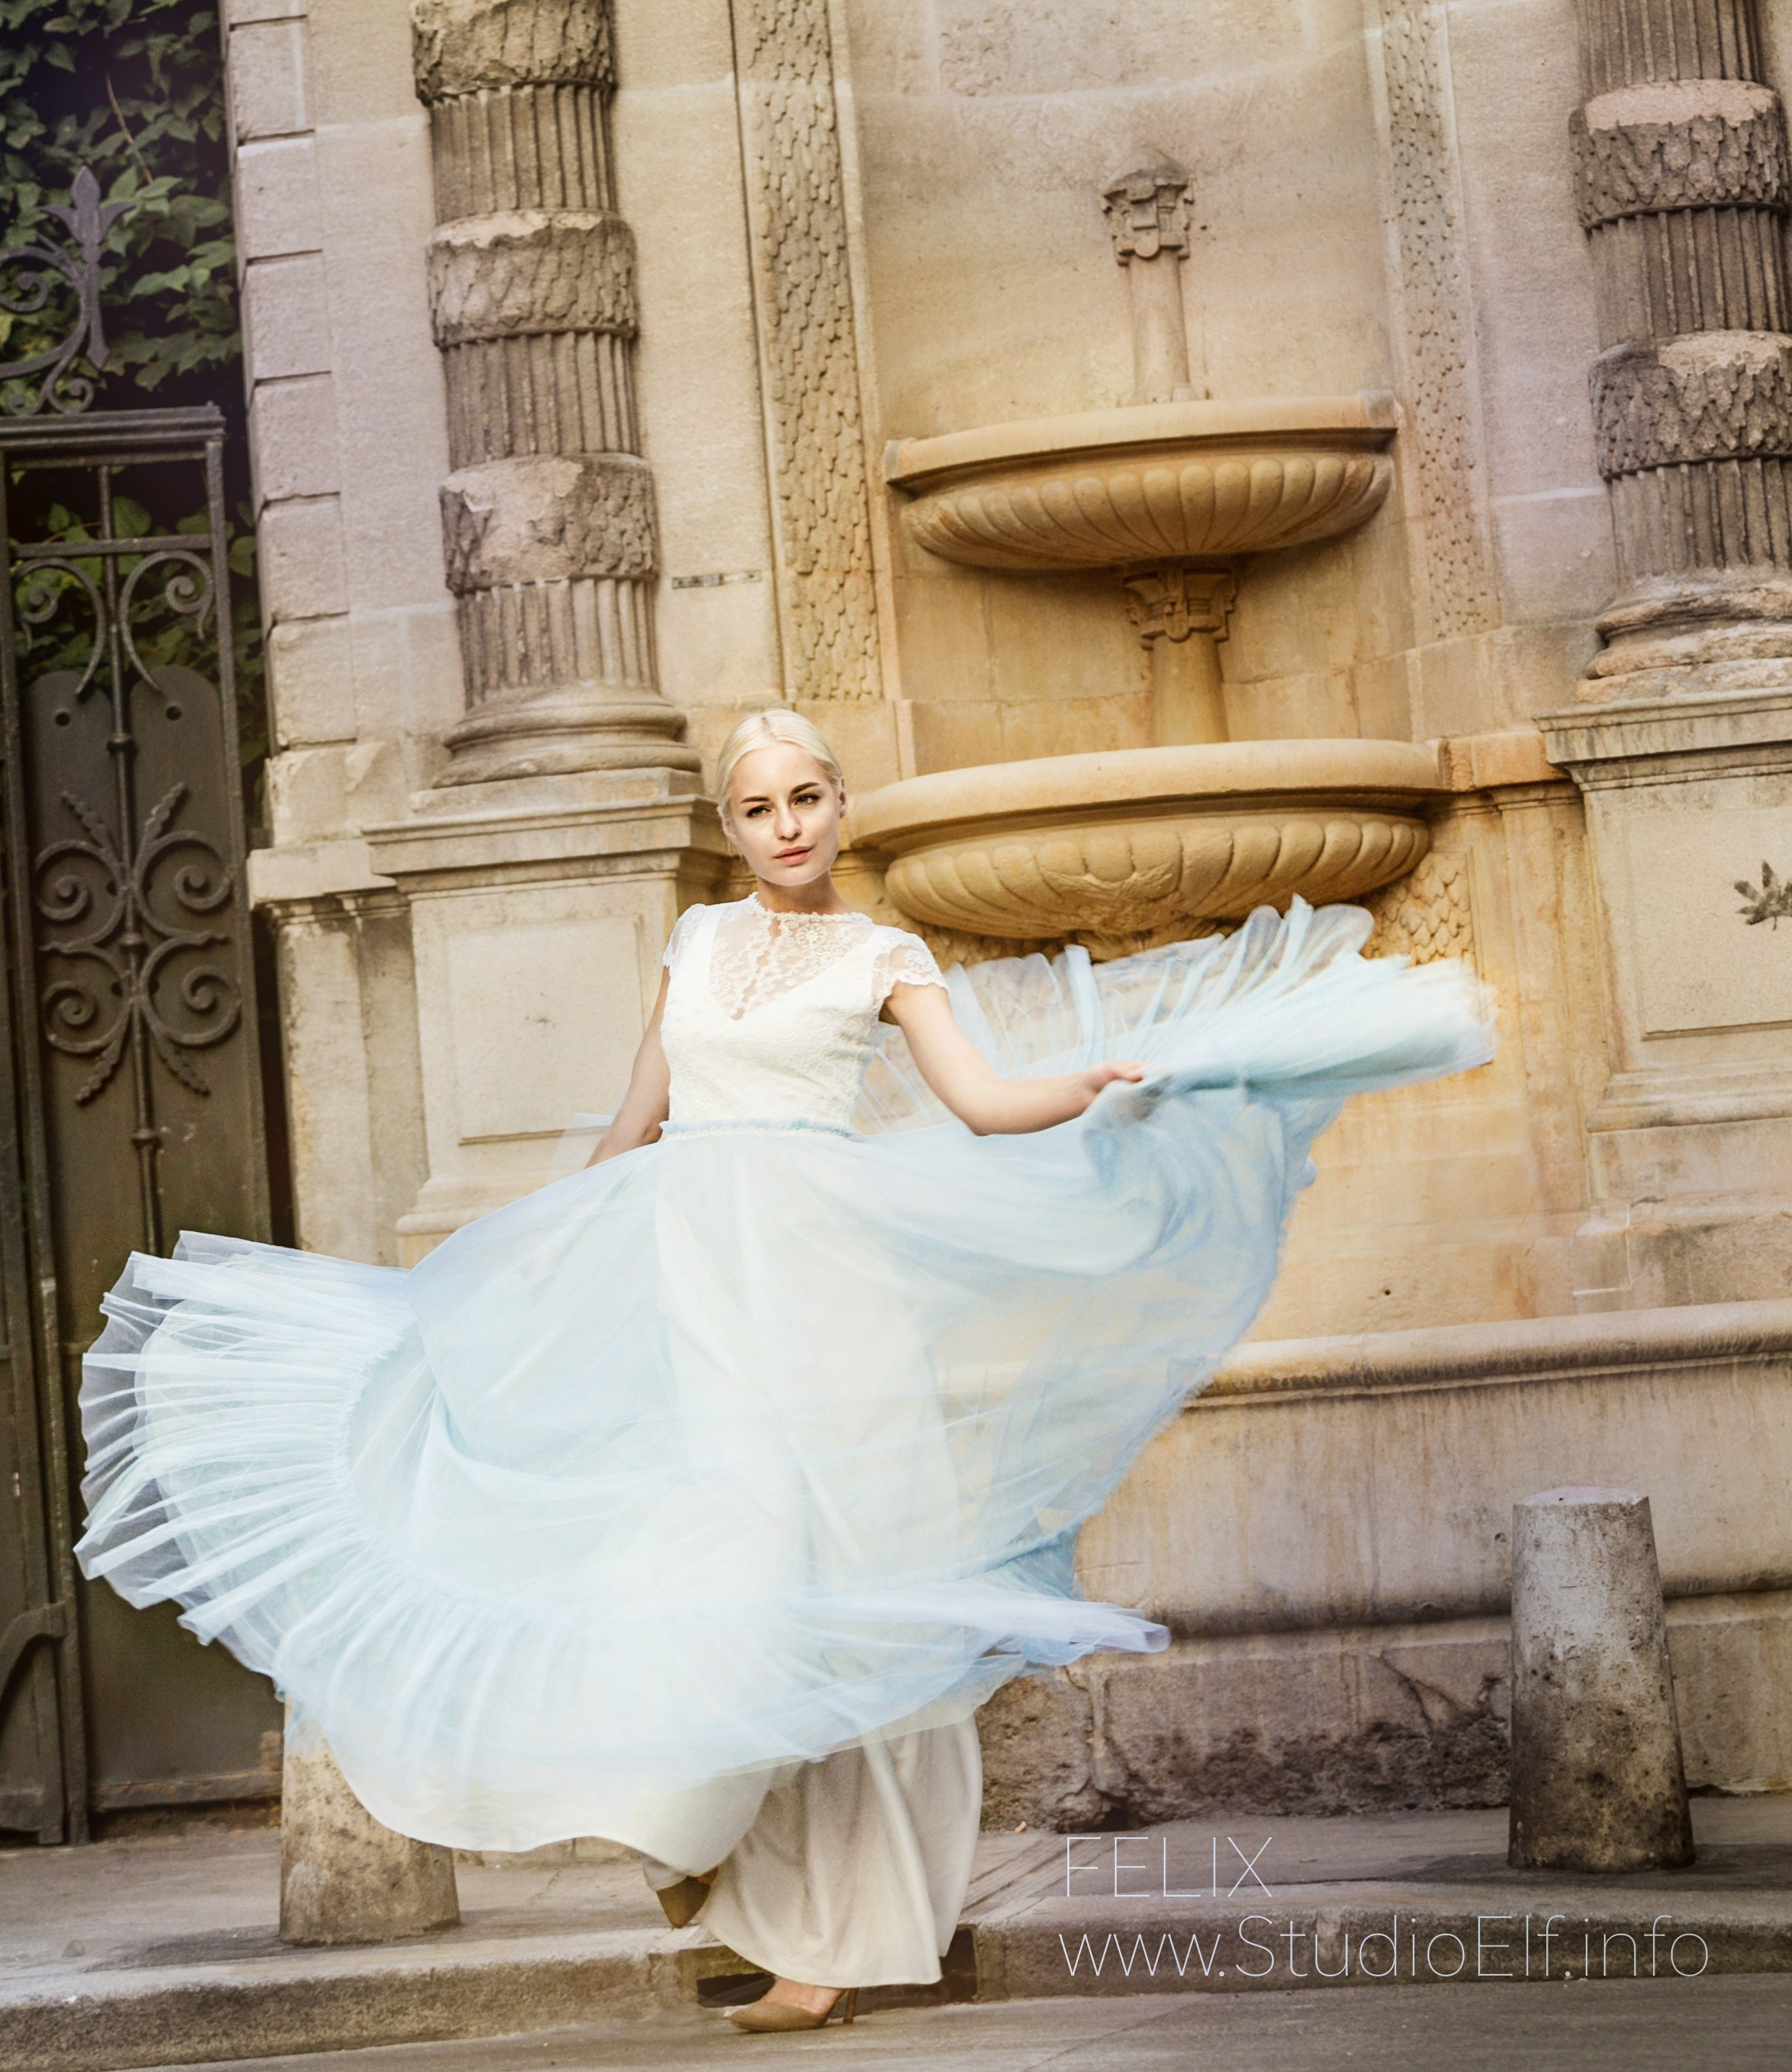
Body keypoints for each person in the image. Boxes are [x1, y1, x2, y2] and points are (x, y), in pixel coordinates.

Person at [76, 708, 1492, 2034]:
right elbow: (632, 1126)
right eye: (759, 808)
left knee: (840, 1597)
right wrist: (519, 1266)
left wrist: (1090, 1089)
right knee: (694, 1569)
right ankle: (690, 1842)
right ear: (731, 828)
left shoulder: (885, 954)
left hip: (828, 1296)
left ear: (840, 807)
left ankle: (833, 1938)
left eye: (807, 798)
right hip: (694, 1284)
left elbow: (981, 1102)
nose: (788, 824)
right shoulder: (695, 940)